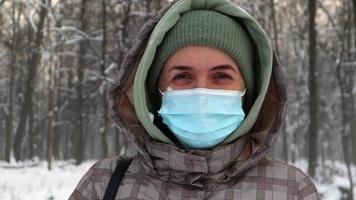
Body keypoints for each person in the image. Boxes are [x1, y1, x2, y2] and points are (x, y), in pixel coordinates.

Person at [70, 0, 321, 199]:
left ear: (250, 91)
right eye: (182, 76)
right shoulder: (104, 183)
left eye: (221, 75)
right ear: (154, 92)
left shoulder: (291, 190)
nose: (202, 92)